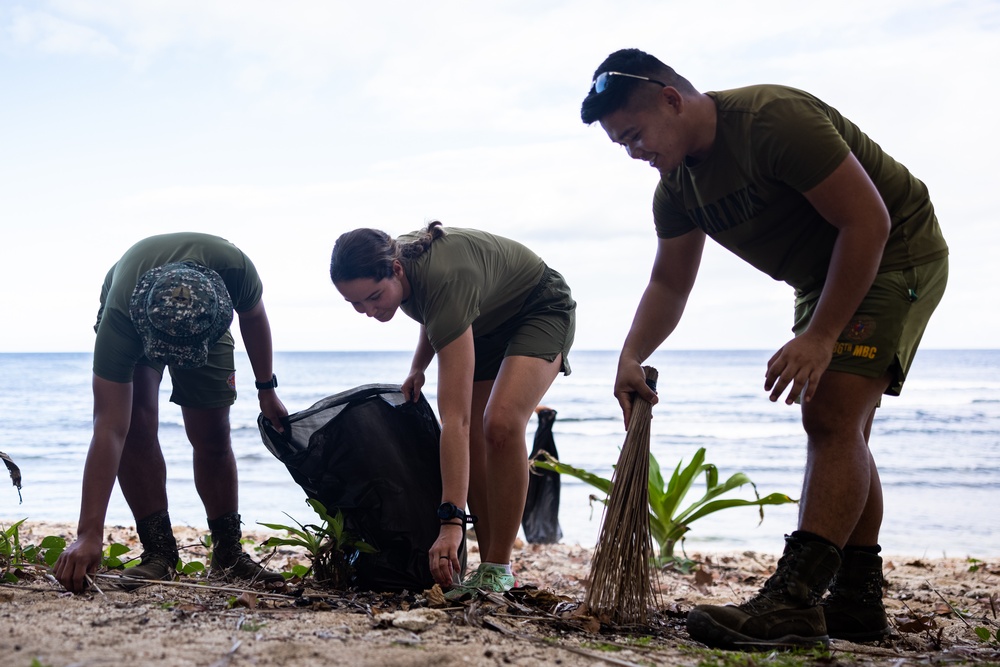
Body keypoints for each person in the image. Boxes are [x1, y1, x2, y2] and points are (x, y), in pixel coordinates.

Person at [580, 49, 948, 649]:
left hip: (893, 248)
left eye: (635, 134)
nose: (633, 152)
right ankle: (856, 602)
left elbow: (869, 223)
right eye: (621, 143)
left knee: (828, 413)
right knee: (842, 424)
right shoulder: (677, 189)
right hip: (823, 276)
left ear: (672, 98)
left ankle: (797, 602)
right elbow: (670, 281)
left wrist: (821, 336)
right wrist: (629, 353)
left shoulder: (771, 121)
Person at [329, 222, 575, 597]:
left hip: (538, 308)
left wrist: (450, 523)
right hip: (483, 323)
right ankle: (492, 569)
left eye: (374, 297)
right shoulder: (403, 269)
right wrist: (418, 366)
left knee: (501, 424)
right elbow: (436, 314)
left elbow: (453, 420)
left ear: (396, 269)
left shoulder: (446, 276)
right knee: (476, 438)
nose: (367, 310)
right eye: (355, 303)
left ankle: (498, 565)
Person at [54, 232, 289, 593]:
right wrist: (88, 533)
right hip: (141, 320)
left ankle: (229, 554)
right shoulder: (121, 320)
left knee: (213, 434)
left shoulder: (235, 269)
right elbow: (109, 428)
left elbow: (254, 317)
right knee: (135, 427)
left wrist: (266, 390)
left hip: (202, 326)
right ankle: (159, 553)